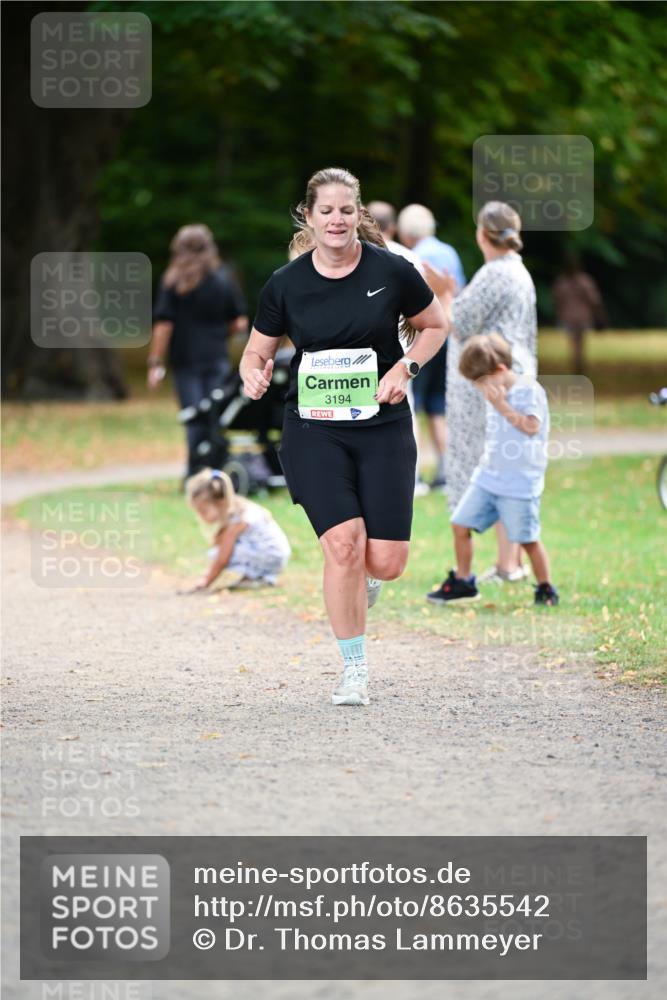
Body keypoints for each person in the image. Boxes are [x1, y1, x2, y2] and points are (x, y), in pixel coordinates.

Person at [239, 167, 447, 707]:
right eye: (325, 210)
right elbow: (256, 351)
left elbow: (435, 324)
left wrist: (406, 368)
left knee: (386, 561)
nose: (336, 219)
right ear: (309, 216)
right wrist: (252, 372)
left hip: (382, 425)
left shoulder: (392, 270)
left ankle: (365, 582)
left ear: (359, 215)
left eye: (346, 210)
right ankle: (354, 668)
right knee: (344, 544)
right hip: (313, 429)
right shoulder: (285, 284)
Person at [423, 200, 537, 585]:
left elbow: (458, 323)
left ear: (481, 234)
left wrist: (444, 293)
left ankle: (504, 565)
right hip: (513, 377)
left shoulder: (494, 274)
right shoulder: (519, 272)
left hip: (489, 386)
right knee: (508, 469)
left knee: (492, 470)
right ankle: (511, 563)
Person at [427, 334, 558, 607]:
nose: (479, 388)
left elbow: (532, 427)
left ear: (500, 371)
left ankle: (546, 589)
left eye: (481, 382)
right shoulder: (495, 390)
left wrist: (502, 406)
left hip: (520, 483)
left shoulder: (528, 390)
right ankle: (463, 582)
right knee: (460, 524)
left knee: (527, 539)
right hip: (489, 477)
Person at [148, 224, 249, 479]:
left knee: (192, 415)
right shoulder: (223, 279)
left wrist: (155, 362)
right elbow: (239, 322)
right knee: (215, 415)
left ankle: (195, 472)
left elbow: (163, 324)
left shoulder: (173, 282)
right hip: (216, 358)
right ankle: (216, 470)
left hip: (185, 360)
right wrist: (218, 335)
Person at [397, 204, 466, 490]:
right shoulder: (449, 252)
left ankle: (412, 474)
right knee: (439, 406)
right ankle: (447, 470)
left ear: (406, 232)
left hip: (422, 340)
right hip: (448, 339)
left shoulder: (414, 258)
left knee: (413, 405)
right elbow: (457, 292)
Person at [184, 467, 290, 592]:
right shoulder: (238, 508)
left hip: (272, 555)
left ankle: (258, 577)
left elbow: (222, 558)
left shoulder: (239, 519)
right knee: (219, 549)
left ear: (220, 502)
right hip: (274, 555)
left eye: (203, 511)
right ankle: (257, 577)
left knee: (219, 552)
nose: (200, 517)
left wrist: (205, 582)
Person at [551, 254, 606, 375]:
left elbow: (557, 301)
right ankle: (579, 365)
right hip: (582, 317)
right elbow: (594, 300)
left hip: (568, 317)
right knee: (580, 344)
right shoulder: (585, 281)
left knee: (574, 343)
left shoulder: (561, 283)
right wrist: (599, 313)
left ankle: (577, 364)